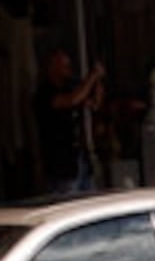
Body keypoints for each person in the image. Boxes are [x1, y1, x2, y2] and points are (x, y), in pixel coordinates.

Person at [36, 49, 104, 193]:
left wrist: (97, 82)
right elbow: (72, 100)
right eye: (64, 66)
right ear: (52, 67)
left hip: (81, 160)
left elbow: (94, 104)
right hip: (61, 165)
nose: (68, 70)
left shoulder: (71, 87)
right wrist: (91, 78)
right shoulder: (43, 93)